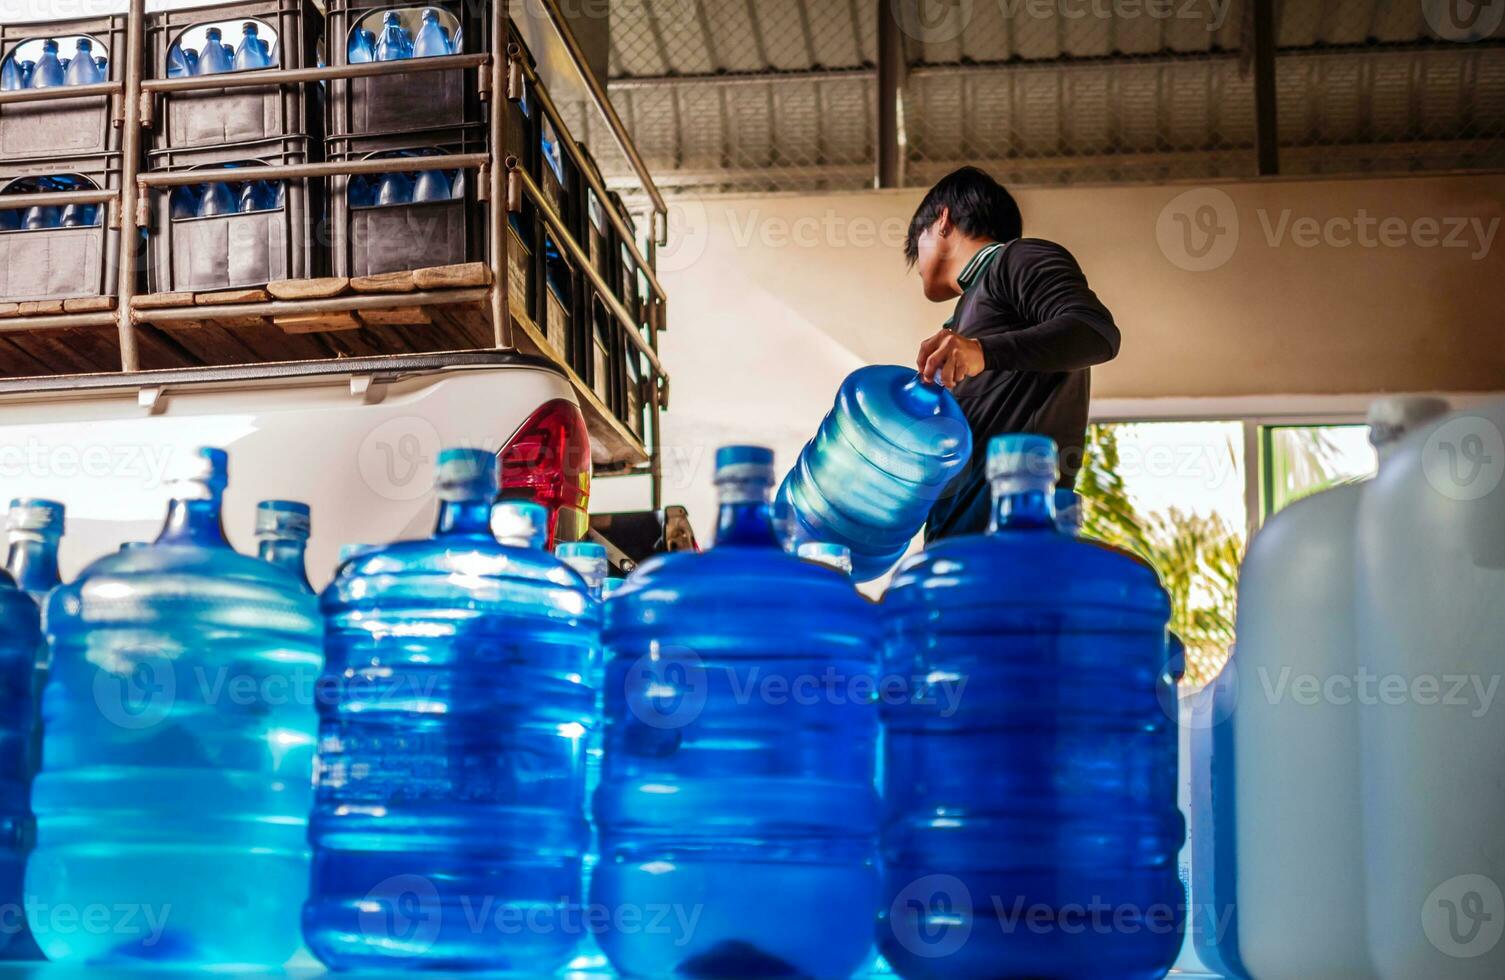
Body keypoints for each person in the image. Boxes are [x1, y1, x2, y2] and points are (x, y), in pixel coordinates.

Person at [906, 166, 1121, 542]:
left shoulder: (1015, 259)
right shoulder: (963, 319)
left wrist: (982, 352)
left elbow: (1095, 332)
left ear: (943, 219)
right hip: (960, 547)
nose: (915, 263)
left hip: (1016, 544)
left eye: (916, 245)